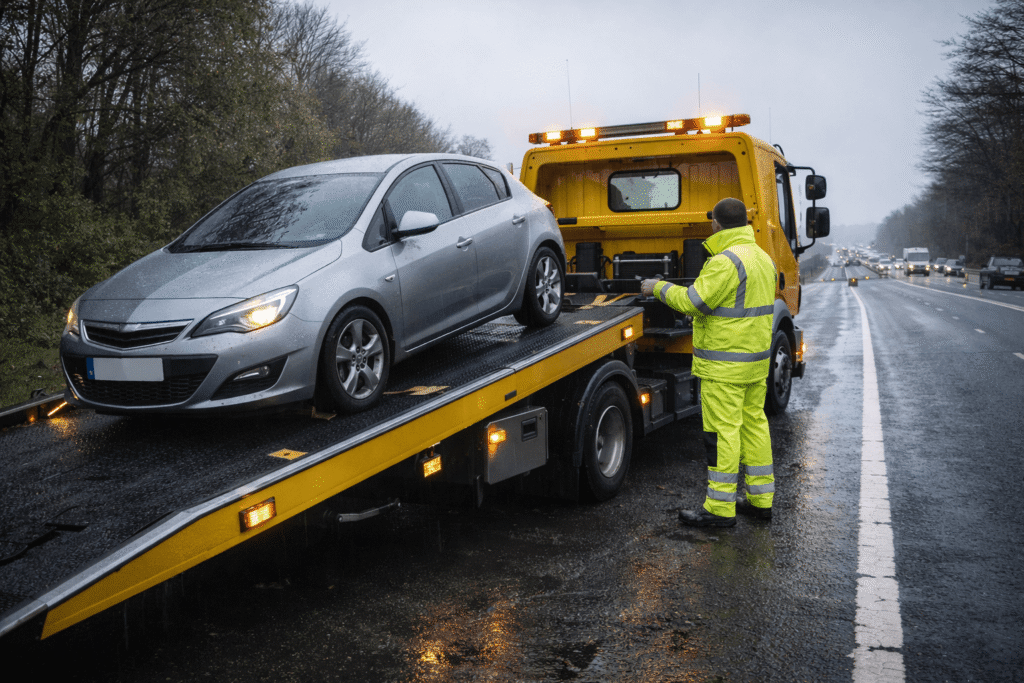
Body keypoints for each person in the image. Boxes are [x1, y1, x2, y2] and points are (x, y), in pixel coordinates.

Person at [640, 197, 776, 527]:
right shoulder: (762, 258)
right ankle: (761, 501)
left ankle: (719, 509)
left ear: (716, 224)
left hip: (724, 367)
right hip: (754, 363)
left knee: (722, 433)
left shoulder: (725, 262)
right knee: (755, 426)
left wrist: (656, 287)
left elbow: (693, 302)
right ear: (745, 222)